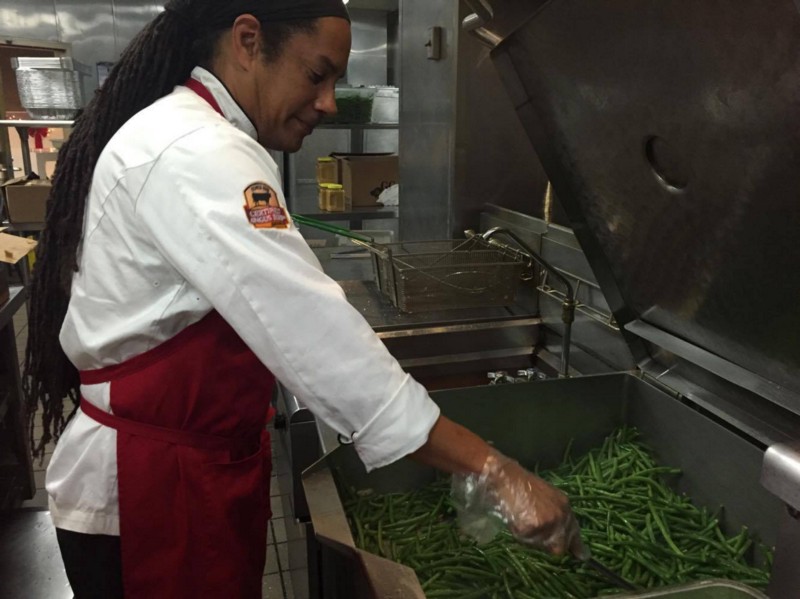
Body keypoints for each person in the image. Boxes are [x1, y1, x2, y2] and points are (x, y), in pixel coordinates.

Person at [22, 1, 584, 597]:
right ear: (247, 40)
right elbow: (316, 336)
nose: (329, 102)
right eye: (317, 74)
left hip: (185, 474)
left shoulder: (192, 133)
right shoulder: (196, 149)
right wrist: (496, 471)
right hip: (149, 494)